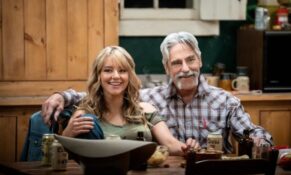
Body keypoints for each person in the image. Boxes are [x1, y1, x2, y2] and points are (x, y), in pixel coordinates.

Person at [42, 32, 273, 153]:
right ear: (166, 68)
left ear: (200, 60)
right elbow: (102, 93)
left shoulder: (224, 100)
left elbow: (252, 131)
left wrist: (259, 140)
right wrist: (62, 96)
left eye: (190, 60)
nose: (185, 69)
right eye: (176, 63)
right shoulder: (148, 99)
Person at [58, 45, 197, 156]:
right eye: (108, 70)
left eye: (123, 70)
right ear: (98, 76)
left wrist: (188, 148)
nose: (116, 76)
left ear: (129, 75)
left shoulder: (146, 109)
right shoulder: (84, 114)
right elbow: (63, 155)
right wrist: (67, 134)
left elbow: (170, 143)